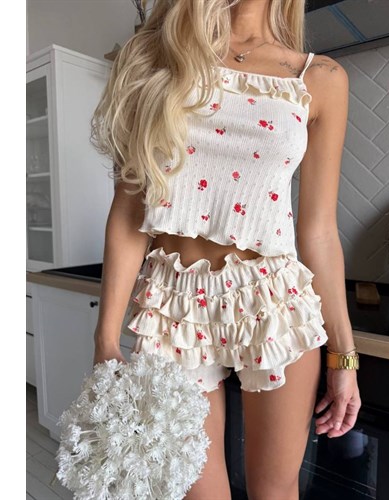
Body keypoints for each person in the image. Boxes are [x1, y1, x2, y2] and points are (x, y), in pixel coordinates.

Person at [90, 0, 361, 498]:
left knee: (275, 491)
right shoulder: (152, 57)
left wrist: (344, 358)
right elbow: (129, 210)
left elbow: (320, 231)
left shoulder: (319, 78)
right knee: (192, 488)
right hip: (173, 306)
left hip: (272, 300)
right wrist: (105, 339)